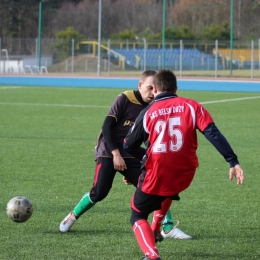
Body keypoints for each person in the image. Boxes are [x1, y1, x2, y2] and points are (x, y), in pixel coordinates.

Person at [123, 69, 245, 260]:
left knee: (137, 214)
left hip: (157, 172)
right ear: (176, 88)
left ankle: (151, 255)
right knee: (168, 189)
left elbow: (128, 145)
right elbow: (213, 133)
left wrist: (145, 156)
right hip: (185, 173)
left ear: (154, 89)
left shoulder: (148, 112)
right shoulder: (192, 106)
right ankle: (156, 229)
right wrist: (232, 161)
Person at [59, 70, 191, 240]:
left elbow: (148, 139)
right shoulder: (125, 98)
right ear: (140, 85)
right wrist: (116, 155)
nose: (152, 93)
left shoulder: (154, 106)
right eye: (149, 88)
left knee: (157, 185)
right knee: (99, 192)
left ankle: (166, 227)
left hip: (131, 152)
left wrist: (141, 165)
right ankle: (72, 216)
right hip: (108, 149)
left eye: (155, 89)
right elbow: (107, 127)